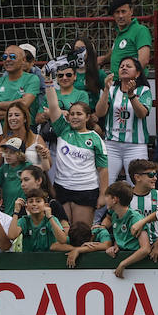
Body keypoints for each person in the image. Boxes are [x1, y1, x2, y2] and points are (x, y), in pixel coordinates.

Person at [41, 75, 107, 226]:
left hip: (86, 189)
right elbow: (53, 107)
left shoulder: (95, 138)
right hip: (62, 187)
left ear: (87, 117)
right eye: (72, 114)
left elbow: (103, 169)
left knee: (81, 232)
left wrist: (103, 194)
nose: (75, 117)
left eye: (79, 114)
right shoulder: (62, 129)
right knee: (65, 230)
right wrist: (49, 83)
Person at [94, 58, 151, 183]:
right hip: (111, 144)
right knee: (105, 183)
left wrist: (131, 95)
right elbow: (99, 113)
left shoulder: (143, 90)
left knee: (138, 184)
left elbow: (142, 114)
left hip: (136, 146)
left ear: (137, 73)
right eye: (121, 66)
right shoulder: (111, 90)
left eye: (128, 66)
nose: (124, 68)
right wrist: (105, 90)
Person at [97, 0, 152, 74]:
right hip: (117, 83)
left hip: (132, 83)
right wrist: (102, 59)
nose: (120, 16)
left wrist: (133, 79)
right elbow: (115, 53)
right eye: (117, 12)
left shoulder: (140, 30)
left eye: (123, 11)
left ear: (131, 11)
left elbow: (144, 60)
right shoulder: (120, 34)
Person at [0, 44, 41, 119]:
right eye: (4, 57)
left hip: (24, 128)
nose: (7, 59)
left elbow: (24, 104)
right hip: (0, 128)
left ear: (23, 60)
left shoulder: (33, 79)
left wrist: (0, 105)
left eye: (12, 57)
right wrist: (16, 113)